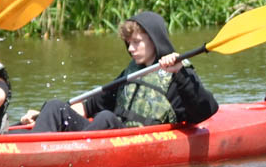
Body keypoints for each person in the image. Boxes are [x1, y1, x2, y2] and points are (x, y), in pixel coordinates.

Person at [23, 10, 219, 133]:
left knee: (106, 117)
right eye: (128, 43)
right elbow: (91, 105)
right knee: (55, 106)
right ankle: (34, 148)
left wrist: (179, 73)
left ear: (154, 40)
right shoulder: (131, 73)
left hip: (134, 140)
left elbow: (205, 111)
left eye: (137, 42)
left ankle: (70, 152)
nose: (131, 49)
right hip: (106, 135)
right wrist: (42, 116)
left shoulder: (179, 74)